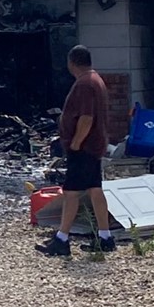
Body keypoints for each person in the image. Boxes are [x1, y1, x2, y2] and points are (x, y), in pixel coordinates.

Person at [37, 45, 114, 257]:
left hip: (84, 148)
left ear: (72, 62)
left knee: (71, 192)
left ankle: (62, 240)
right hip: (95, 145)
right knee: (94, 189)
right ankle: (105, 237)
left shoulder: (85, 84)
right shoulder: (96, 80)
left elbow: (86, 118)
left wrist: (76, 143)